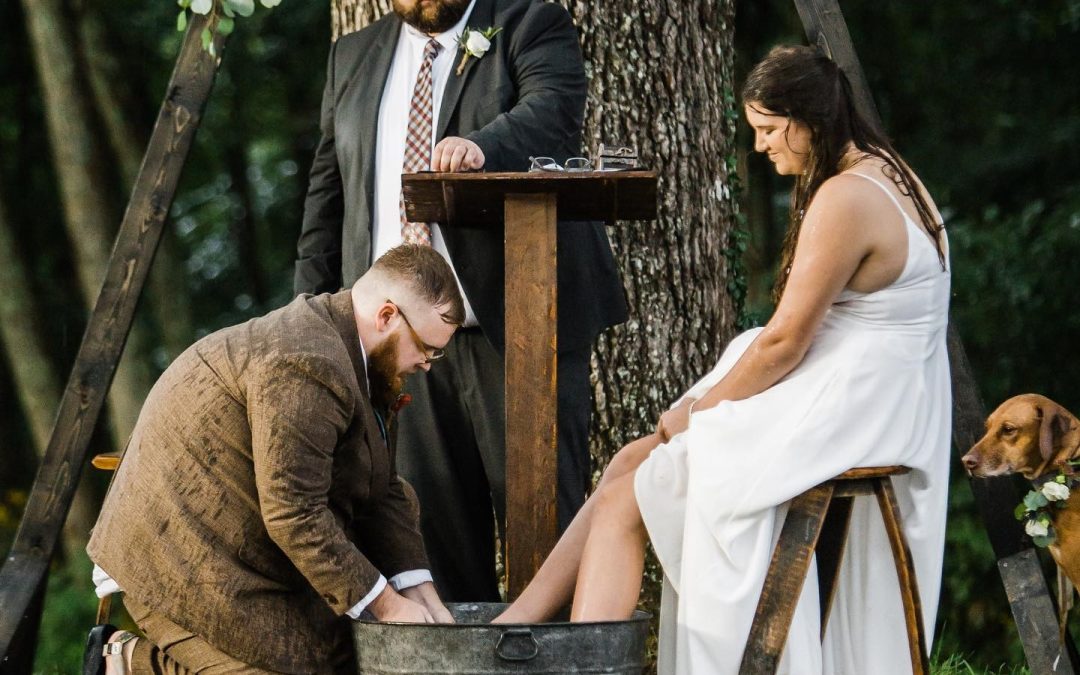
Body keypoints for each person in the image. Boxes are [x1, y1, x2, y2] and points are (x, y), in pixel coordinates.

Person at [495, 45, 951, 674]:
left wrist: (701, 411)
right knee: (630, 461)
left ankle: (576, 663)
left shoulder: (847, 196)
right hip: (868, 392)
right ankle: (512, 623)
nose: (760, 145)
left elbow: (784, 342)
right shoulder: (886, 170)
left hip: (858, 409)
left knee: (630, 499)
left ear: (806, 120)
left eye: (768, 128)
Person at [294, 0, 627, 602]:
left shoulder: (529, 22)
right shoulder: (353, 55)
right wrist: (310, 314)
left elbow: (553, 112)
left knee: (544, 529)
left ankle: (549, 648)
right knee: (429, 535)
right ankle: (456, 647)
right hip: (398, 345)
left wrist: (480, 147)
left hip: (519, 327)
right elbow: (328, 192)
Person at [86, 245, 464, 674]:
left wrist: (418, 590)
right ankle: (125, 659)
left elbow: (384, 489)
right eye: (426, 348)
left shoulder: (364, 358)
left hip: (250, 548)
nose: (427, 364)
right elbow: (294, 513)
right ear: (387, 316)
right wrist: (389, 606)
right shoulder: (307, 362)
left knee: (346, 658)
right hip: (177, 556)